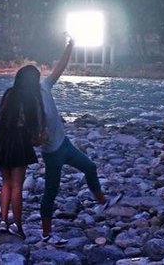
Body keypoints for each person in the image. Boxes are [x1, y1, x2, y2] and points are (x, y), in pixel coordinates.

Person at [39, 35, 122, 246]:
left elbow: (59, 67)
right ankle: (46, 234)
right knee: (51, 191)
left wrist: (70, 46)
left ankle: (102, 202)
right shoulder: (28, 105)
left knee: (90, 166)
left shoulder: (45, 86)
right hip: (51, 153)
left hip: (65, 144)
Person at [0, 64, 46, 239]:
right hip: (19, 140)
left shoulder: (9, 94)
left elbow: (1, 116)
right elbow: (34, 125)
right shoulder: (30, 98)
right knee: (17, 186)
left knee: (5, 183)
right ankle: (18, 226)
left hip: (2, 138)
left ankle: (3, 222)